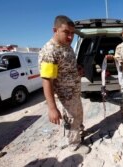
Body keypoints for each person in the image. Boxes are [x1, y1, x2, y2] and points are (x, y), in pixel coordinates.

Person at [38, 15, 90, 154]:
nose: (70, 37)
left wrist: (77, 69)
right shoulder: (50, 51)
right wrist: (52, 108)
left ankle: (79, 133)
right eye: (66, 32)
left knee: (78, 116)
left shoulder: (67, 47)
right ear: (55, 30)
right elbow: (47, 81)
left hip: (74, 92)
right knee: (72, 120)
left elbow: (67, 66)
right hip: (66, 96)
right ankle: (74, 145)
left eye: (72, 33)